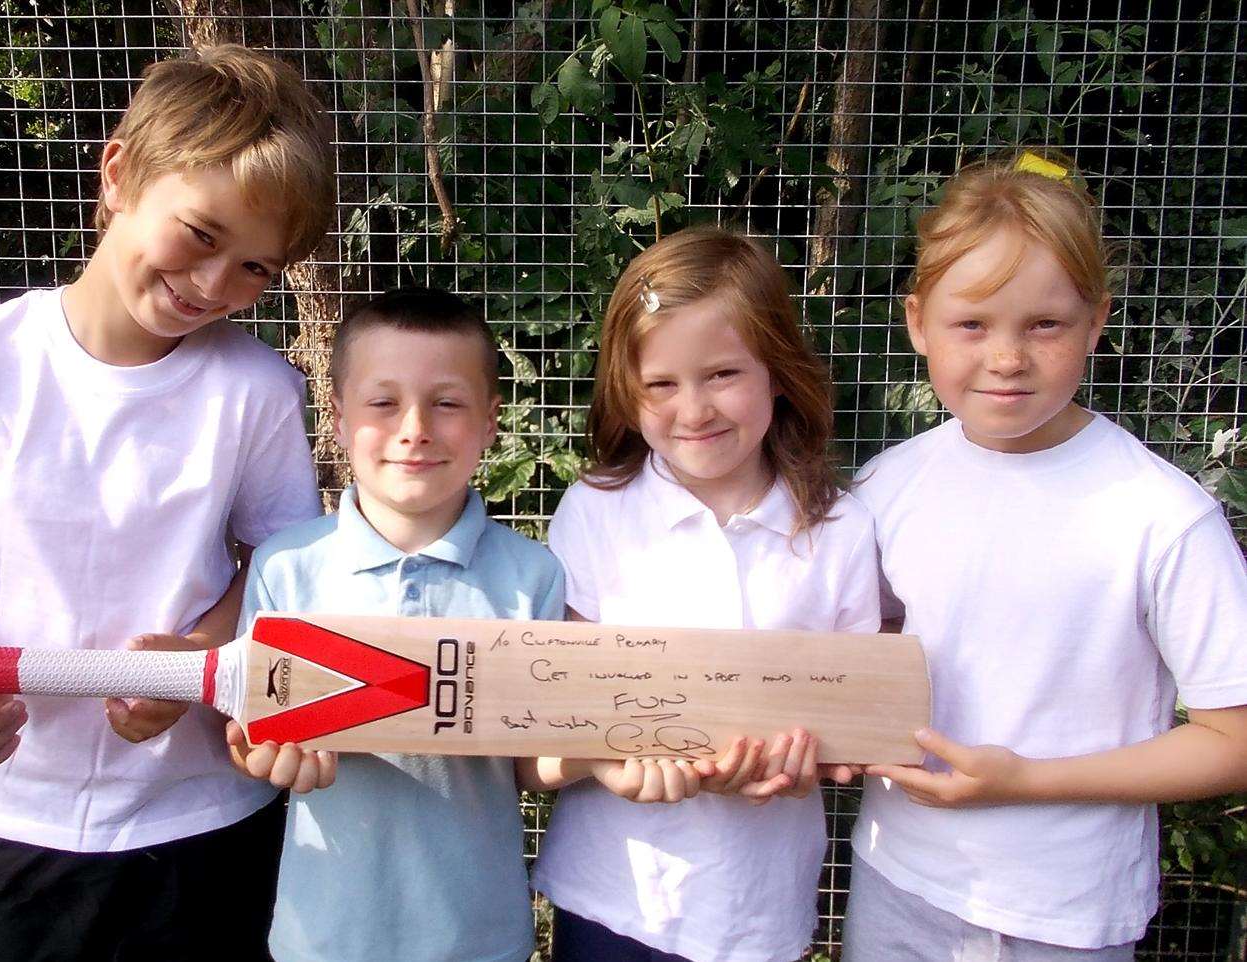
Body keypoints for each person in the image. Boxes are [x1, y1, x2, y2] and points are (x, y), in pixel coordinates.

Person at [0, 45, 335, 962]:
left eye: (257, 269)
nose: (215, 287)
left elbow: (281, 569)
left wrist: (197, 662)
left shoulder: (257, 390)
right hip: (26, 817)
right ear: (118, 173)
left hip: (210, 814)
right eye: (201, 235)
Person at [844, 150, 1247, 961]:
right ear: (916, 321)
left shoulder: (1161, 516)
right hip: (894, 882)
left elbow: (1232, 738)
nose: (1005, 358)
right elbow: (848, 663)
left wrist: (1023, 780)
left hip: (1060, 914)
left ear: (1095, 322)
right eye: (971, 324)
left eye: (1044, 325)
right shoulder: (883, 487)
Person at [521, 227, 882, 962]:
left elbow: (856, 719)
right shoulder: (595, 511)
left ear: (778, 371)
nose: (694, 410)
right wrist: (608, 759)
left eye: (722, 374)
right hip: (613, 896)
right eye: (660, 384)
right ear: (626, 392)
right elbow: (543, 725)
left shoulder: (840, 527)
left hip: (759, 908)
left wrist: (805, 761)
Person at [229, 287, 566, 962]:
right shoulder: (286, 567)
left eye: (446, 402)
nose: (414, 428)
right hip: (321, 936)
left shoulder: (533, 576)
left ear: (491, 420)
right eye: (383, 403)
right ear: (338, 412)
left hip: (478, 936)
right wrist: (263, 756)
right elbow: (247, 737)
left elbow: (534, 762)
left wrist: (651, 737)